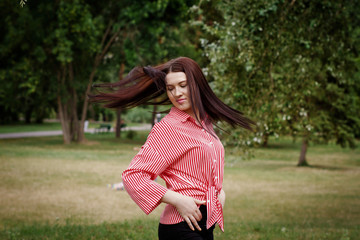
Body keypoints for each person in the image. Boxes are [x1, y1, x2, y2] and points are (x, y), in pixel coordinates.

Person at [90, 57, 254, 240]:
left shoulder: (205, 123)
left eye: (183, 85)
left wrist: (219, 192)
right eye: (170, 88)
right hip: (180, 227)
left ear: (197, 84)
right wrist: (178, 200)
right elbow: (133, 177)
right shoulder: (168, 128)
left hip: (206, 225)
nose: (177, 93)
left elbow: (201, 172)